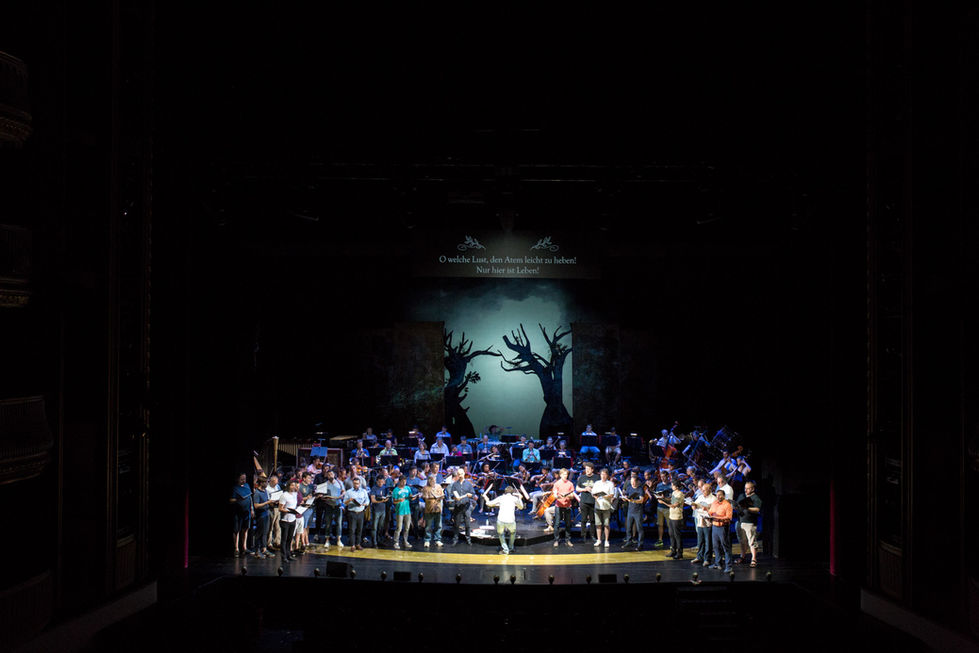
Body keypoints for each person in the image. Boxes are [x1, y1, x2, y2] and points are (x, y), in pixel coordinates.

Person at [483, 486, 524, 554]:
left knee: (501, 534)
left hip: (501, 520)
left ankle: (505, 550)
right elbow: (521, 507)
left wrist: (486, 499)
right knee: (512, 533)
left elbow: (489, 504)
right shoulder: (515, 498)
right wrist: (520, 498)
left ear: (505, 492)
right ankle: (511, 548)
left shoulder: (501, 498)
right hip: (511, 520)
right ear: (512, 492)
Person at [313, 468, 344, 549]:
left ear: (334, 475)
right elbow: (320, 494)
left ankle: (339, 540)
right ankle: (327, 540)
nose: (330, 476)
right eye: (329, 474)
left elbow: (343, 492)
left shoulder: (339, 483)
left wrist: (341, 496)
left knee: (339, 523)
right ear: (327, 476)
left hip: (337, 505)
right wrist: (323, 497)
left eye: (331, 474)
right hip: (328, 505)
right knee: (327, 523)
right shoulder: (324, 484)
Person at [735, 481, 762, 567]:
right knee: (742, 541)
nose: (745, 490)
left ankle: (754, 558)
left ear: (752, 489)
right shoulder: (742, 496)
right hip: (740, 521)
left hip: (750, 522)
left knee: (752, 541)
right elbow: (737, 505)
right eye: (745, 488)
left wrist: (748, 508)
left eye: (748, 488)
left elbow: (757, 509)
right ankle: (742, 556)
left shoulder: (755, 498)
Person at [708, 489, 734, 573]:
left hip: (723, 527)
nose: (718, 496)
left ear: (724, 496)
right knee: (715, 546)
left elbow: (729, 517)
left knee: (725, 547)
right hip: (714, 527)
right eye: (717, 495)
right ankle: (717, 563)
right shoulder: (714, 503)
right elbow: (711, 512)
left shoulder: (727, 505)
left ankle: (729, 566)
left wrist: (717, 518)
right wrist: (707, 514)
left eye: (720, 495)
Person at [658, 479, 685, 559]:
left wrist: (663, 502)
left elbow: (673, 505)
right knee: (671, 534)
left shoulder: (680, 494)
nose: (671, 486)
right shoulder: (674, 493)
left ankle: (679, 553)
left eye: (672, 485)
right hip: (671, 516)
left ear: (676, 486)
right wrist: (663, 498)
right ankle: (673, 550)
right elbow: (671, 500)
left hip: (677, 517)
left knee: (677, 535)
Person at [448, 467, 475, 545]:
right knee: (456, 524)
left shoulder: (468, 484)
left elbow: (473, 494)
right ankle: (455, 539)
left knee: (467, 524)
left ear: (464, 474)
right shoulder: (455, 484)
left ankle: (468, 539)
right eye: (459, 474)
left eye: (461, 474)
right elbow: (452, 495)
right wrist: (455, 497)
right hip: (458, 506)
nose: (460, 475)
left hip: (466, 506)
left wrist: (470, 495)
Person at [691, 480, 715, 566]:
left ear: (709, 490)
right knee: (700, 541)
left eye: (704, 490)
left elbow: (714, 511)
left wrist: (707, 508)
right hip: (700, 521)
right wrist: (693, 506)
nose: (702, 491)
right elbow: (695, 504)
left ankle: (707, 559)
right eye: (702, 490)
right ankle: (699, 556)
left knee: (708, 541)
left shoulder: (713, 499)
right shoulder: (700, 497)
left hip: (708, 522)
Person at [230, 473, 253, 557]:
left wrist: (252, 509)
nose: (244, 480)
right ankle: (236, 548)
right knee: (237, 530)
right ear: (237, 479)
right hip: (238, 512)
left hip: (247, 512)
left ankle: (244, 547)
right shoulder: (235, 488)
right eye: (242, 479)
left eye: (245, 478)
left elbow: (250, 497)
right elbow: (231, 500)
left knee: (245, 529)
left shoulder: (247, 486)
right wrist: (238, 499)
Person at [551, 468, 576, 547]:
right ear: (561, 475)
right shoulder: (557, 484)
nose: (566, 476)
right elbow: (554, 494)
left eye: (567, 474)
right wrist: (558, 496)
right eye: (564, 474)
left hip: (567, 505)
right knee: (557, 523)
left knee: (568, 524)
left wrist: (568, 495)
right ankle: (556, 540)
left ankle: (568, 540)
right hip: (559, 505)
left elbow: (572, 496)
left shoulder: (570, 484)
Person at [575, 461, 598, 544]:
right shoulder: (582, 477)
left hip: (593, 501)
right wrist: (584, 489)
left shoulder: (597, 478)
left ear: (592, 469)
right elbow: (577, 488)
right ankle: (583, 536)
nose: (587, 470)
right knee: (583, 519)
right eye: (586, 469)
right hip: (584, 501)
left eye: (588, 469)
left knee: (592, 519)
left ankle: (592, 535)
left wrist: (593, 490)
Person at [621, 472, 646, 550]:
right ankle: (629, 541)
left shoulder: (640, 489)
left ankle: (640, 544)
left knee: (639, 528)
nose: (632, 483)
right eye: (631, 482)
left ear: (637, 482)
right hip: (630, 510)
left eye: (634, 482)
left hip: (638, 511)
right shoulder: (629, 487)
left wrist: (633, 501)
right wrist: (624, 498)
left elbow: (641, 500)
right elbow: (627, 495)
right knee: (628, 527)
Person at [591, 468, 615, 548]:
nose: (603, 476)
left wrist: (605, 496)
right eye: (602, 474)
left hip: (606, 506)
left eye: (604, 474)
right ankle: (599, 540)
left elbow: (612, 494)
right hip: (598, 505)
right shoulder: (597, 483)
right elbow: (593, 493)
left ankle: (606, 540)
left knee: (606, 524)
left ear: (607, 475)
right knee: (598, 524)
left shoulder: (610, 484)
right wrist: (596, 497)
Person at [277, 480, 300, 563]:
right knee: (284, 539)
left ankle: (288, 554)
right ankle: (283, 556)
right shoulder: (284, 495)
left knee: (290, 538)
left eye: (294, 485)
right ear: (288, 486)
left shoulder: (295, 494)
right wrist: (289, 511)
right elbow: (280, 508)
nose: (294, 487)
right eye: (292, 485)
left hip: (293, 519)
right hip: (285, 520)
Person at [343, 476, 369, 551]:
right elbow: (344, 503)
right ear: (352, 483)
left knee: (359, 529)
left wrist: (364, 504)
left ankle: (358, 544)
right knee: (352, 530)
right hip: (352, 512)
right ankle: (352, 545)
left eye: (357, 483)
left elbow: (367, 501)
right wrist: (350, 500)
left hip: (361, 512)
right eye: (354, 483)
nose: (356, 485)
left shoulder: (363, 491)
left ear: (359, 484)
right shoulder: (349, 492)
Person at [251, 474, 273, 558]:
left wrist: (271, 502)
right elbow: (256, 505)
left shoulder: (265, 491)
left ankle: (264, 549)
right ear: (261, 483)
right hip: (261, 515)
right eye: (266, 482)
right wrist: (266, 502)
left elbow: (267, 501)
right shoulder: (257, 493)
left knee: (265, 533)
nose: (267, 484)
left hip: (266, 513)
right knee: (259, 533)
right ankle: (257, 550)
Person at [420, 474, 445, 548]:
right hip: (429, 508)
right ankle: (427, 540)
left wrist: (440, 497)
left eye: (434, 480)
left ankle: (437, 539)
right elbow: (424, 497)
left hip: (438, 508)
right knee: (428, 525)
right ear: (429, 480)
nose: (433, 481)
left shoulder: (439, 486)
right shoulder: (425, 488)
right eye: (431, 480)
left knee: (438, 525)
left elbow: (442, 495)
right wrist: (429, 497)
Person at [391, 476, 413, 549]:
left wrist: (412, 497)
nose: (404, 483)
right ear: (399, 481)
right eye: (402, 481)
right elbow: (394, 501)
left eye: (405, 481)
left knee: (407, 527)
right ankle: (396, 542)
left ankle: (405, 541)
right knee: (399, 528)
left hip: (407, 510)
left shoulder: (408, 488)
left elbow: (410, 496)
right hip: (399, 511)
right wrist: (399, 500)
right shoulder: (396, 490)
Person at [368, 475, 390, 547]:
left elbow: (387, 497)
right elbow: (373, 500)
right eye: (379, 482)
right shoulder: (374, 488)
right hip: (376, 510)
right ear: (376, 481)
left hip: (383, 510)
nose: (380, 483)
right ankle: (374, 542)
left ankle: (379, 540)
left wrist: (386, 498)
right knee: (374, 527)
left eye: (382, 482)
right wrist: (381, 501)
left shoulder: (385, 488)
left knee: (380, 526)